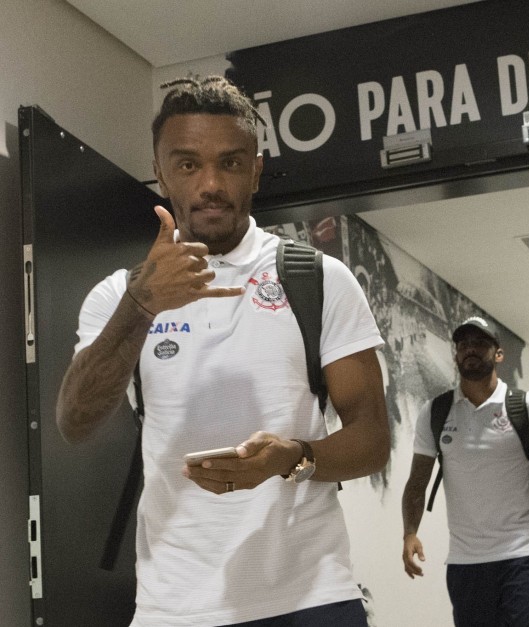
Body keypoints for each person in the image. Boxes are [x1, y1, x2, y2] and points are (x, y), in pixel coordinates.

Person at [55, 76, 390, 626]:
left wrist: (295, 457)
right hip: (175, 607)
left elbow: (373, 440)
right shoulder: (118, 295)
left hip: (310, 597)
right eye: (188, 165)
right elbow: (75, 422)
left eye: (230, 163)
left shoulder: (319, 280)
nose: (210, 183)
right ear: (161, 173)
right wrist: (141, 306)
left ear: (256, 169)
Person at [401, 317, 529, 626]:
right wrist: (409, 533)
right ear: (456, 355)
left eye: (480, 343)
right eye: (463, 345)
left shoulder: (526, 408)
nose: (470, 349)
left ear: (498, 354)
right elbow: (417, 482)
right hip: (465, 562)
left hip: (523, 554)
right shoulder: (436, 413)